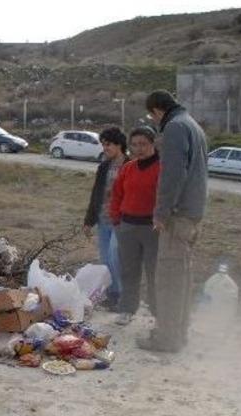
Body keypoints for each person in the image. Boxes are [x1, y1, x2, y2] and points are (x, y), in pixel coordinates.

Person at [137, 90, 208, 352]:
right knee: (182, 278)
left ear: (156, 110)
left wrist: (161, 212)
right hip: (192, 214)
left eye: (151, 116)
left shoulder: (176, 128)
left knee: (168, 279)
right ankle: (178, 334)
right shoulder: (193, 126)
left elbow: (172, 175)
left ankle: (167, 339)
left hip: (177, 217)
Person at [110, 127, 161, 326]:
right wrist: (116, 219)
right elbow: (117, 195)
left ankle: (158, 312)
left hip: (152, 228)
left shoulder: (162, 167)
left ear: (153, 144)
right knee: (129, 270)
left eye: (144, 144)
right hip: (128, 226)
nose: (139, 149)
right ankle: (127, 309)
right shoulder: (128, 168)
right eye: (135, 145)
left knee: (154, 271)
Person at [83, 127, 128, 310]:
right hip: (103, 219)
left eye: (108, 144)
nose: (105, 148)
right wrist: (88, 220)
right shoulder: (103, 166)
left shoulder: (130, 165)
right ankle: (113, 295)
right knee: (105, 261)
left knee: (114, 256)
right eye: (103, 144)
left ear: (119, 144)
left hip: (121, 221)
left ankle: (124, 295)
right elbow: (96, 194)